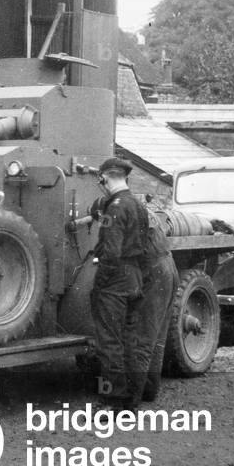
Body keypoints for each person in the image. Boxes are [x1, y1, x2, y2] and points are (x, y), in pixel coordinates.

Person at [88, 157, 149, 410]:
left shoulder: (115, 208)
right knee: (129, 340)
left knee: (109, 342)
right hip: (134, 278)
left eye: (101, 181)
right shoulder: (137, 205)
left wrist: (100, 283)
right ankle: (131, 401)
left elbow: (111, 252)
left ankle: (112, 402)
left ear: (105, 178)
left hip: (114, 282)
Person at [134, 208, 180, 403]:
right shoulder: (141, 209)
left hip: (155, 271)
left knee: (143, 337)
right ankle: (149, 390)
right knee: (158, 336)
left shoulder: (122, 211)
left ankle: (130, 400)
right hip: (168, 266)